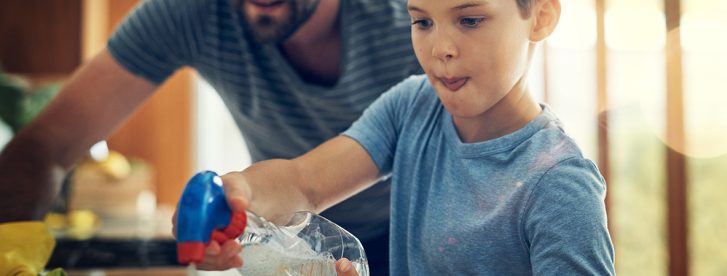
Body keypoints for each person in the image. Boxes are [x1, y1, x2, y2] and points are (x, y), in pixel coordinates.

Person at [193, 0, 616, 274]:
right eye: (423, 22)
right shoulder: (413, 105)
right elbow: (304, 183)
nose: (441, 48)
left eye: (470, 20)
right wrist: (240, 193)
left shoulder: (560, 184)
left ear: (541, 17)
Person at [0, 0, 421, 274]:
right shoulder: (192, 13)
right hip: (285, 244)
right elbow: (45, 145)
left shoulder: (417, 22)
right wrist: (10, 253)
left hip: (414, 239)